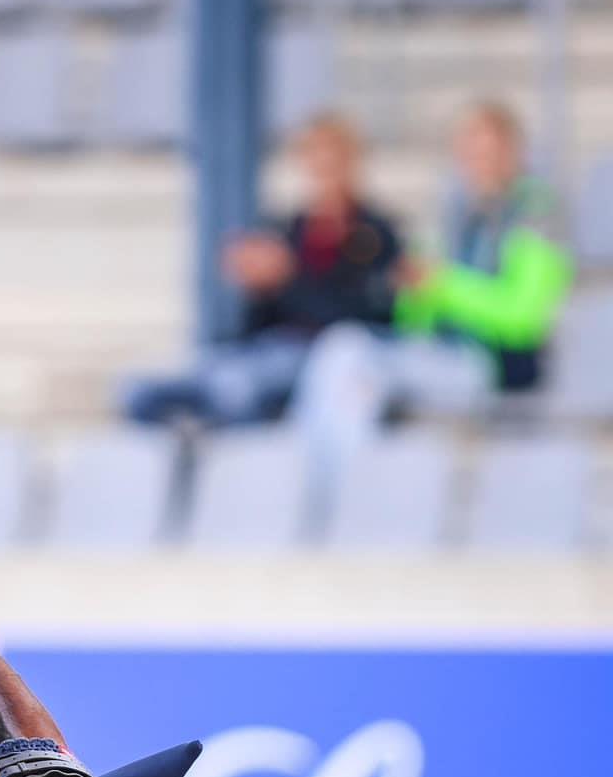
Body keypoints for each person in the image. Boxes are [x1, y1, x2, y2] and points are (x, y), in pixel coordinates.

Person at [291, 100, 573, 510]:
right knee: (341, 354)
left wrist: (442, 285)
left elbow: (523, 318)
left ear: (514, 152)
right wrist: (414, 291)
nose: (478, 164)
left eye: (488, 152)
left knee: (350, 356)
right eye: (469, 153)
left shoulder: (536, 214)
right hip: (445, 354)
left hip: (496, 364)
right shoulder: (457, 216)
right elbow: (417, 317)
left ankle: (337, 498)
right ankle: (330, 490)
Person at [122, 113, 403, 428]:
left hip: (321, 360)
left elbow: (358, 323)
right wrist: (256, 285)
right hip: (267, 349)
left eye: (333, 158)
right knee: (138, 388)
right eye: (315, 157)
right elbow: (258, 325)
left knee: (236, 388)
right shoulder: (288, 230)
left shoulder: (375, 234)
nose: (324, 169)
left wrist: (288, 279)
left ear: (352, 161)